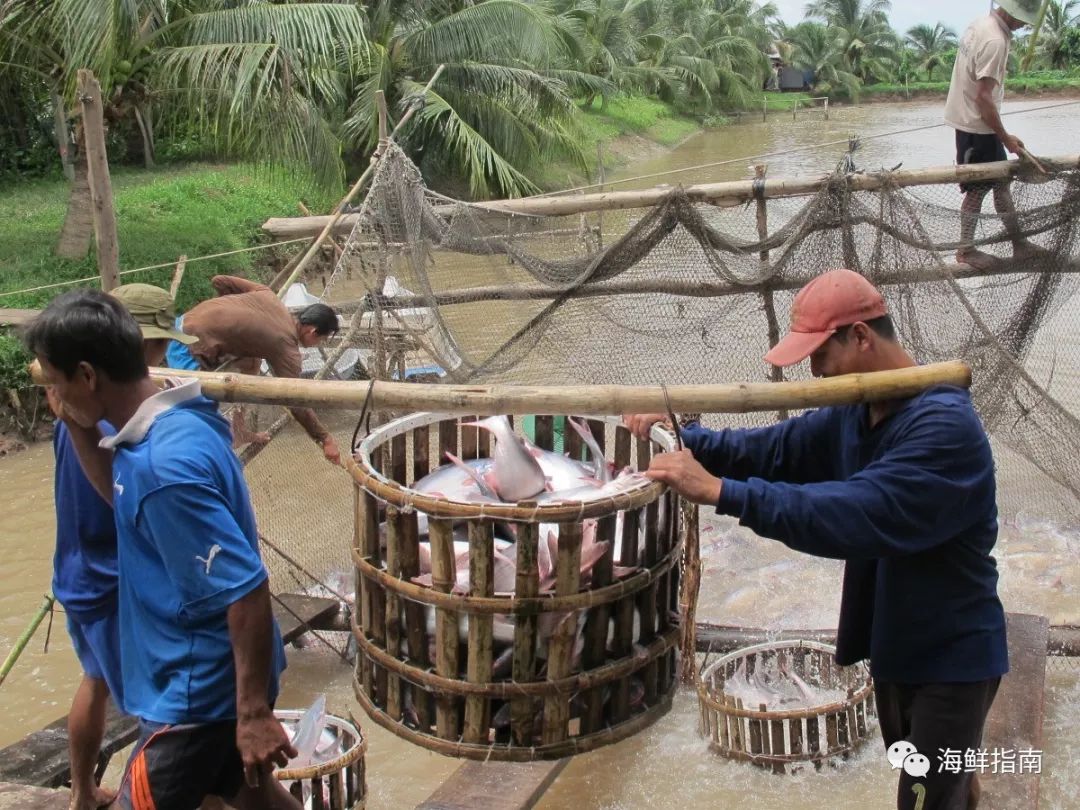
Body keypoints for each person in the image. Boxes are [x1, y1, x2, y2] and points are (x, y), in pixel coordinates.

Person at [625, 269, 1008, 810]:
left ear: (860, 336)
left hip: (953, 656)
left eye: (819, 354)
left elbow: (853, 512)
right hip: (897, 646)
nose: (813, 371)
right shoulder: (857, 411)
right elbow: (775, 449)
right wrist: (686, 439)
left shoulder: (944, 430)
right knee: (933, 777)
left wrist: (722, 493)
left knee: (920, 796)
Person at [27, 290, 301, 810]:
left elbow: (246, 588)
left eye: (58, 382)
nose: (56, 395)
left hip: (195, 699)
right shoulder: (169, 425)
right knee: (254, 800)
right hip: (212, 684)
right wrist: (76, 428)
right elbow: (125, 499)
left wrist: (252, 715)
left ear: (87, 376)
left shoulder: (164, 468)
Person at [49, 283, 195, 810]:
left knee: (94, 679)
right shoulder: (112, 419)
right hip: (113, 583)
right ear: (146, 348)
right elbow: (128, 504)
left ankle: (83, 792)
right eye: (160, 346)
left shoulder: (76, 405)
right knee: (157, 716)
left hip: (74, 569)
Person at [165, 274, 342, 463]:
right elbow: (294, 399)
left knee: (253, 361)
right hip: (186, 345)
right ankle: (188, 460)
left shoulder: (268, 295)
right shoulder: (285, 347)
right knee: (195, 414)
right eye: (321, 340)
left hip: (184, 321)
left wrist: (227, 313)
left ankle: (239, 429)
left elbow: (219, 281)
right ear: (312, 331)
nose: (318, 344)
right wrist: (325, 438)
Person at [944, 0, 1044, 271]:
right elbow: (984, 98)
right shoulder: (995, 42)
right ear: (1013, 14)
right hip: (977, 128)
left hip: (974, 124)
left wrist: (1002, 135)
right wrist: (1006, 138)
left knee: (1001, 183)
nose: (1024, 25)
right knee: (977, 189)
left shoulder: (980, 24)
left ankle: (1019, 244)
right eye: (1024, 20)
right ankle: (966, 249)